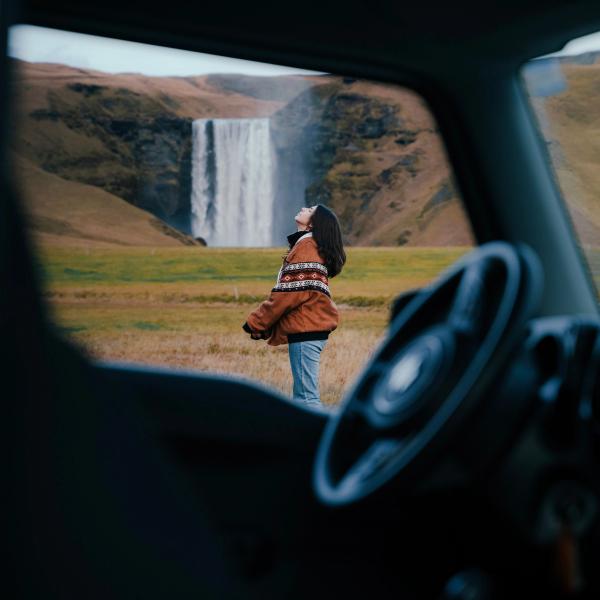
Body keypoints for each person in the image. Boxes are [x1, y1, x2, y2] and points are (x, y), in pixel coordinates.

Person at [243, 204, 346, 408]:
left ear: (314, 223)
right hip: (309, 329)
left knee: (306, 397)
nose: (303, 208)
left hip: (306, 330)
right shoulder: (309, 246)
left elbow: (288, 294)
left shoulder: (307, 247)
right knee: (303, 394)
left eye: (310, 209)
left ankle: (317, 436)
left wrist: (256, 323)